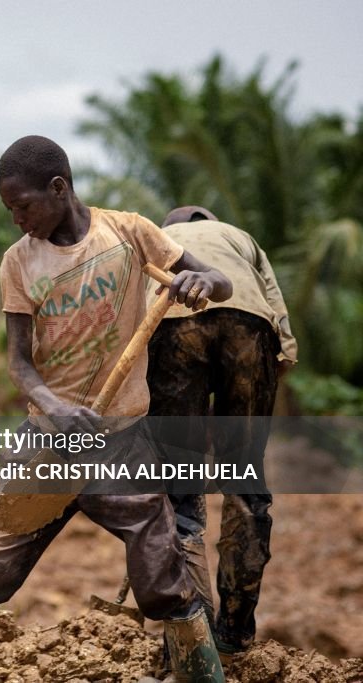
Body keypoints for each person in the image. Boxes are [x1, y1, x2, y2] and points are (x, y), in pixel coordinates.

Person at [0, 136, 233, 683]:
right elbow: (20, 364)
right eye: (9, 210)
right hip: (48, 444)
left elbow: (220, 281)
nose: (18, 220)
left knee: (163, 577)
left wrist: (198, 281)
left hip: (122, 442)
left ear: (58, 188)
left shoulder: (129, 232)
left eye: (23, 206)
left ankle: (201, 675)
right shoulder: (18, 263)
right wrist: (54, 406)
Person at [147, 205, 297, 661]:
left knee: (179, 491)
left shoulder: (156, 237)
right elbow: (282, 337)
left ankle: (191, 642)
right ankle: (234, 633)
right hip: (249, 327)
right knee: (245, 485)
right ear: (208, 221)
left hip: (173, 325)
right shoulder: (241, 236)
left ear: (174, 226)